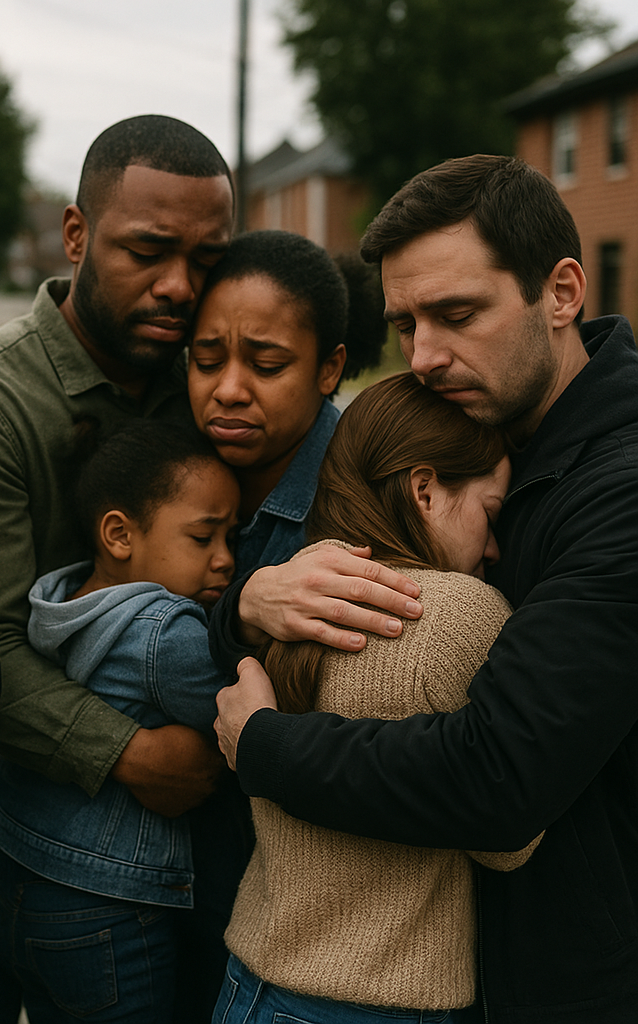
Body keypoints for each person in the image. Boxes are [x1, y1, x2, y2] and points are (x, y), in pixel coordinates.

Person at [212, 155, 638, 1021]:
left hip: (575, 983)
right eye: (405, 324)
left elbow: (499, 776)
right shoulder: (479, 435)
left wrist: (264, 746)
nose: (425, 357)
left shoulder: (620, 487)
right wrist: (247, 606)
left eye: (457, 314)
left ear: (561, 293)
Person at [0, 114, 234, 1022]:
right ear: (77, 234)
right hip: (1, 835)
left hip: (191, 858)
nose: (179, 286)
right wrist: (130, 753)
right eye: (148, 251)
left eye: (206, 259)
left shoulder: (210, 386)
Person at [216, 372, 541, 1023]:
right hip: (375, 1001)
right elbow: (509, 838)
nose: (494, 547)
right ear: (425, 490)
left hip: (249, 985)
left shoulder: (290, 595)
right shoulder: (459, 614)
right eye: (490, 512)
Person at [0, 421, 240, 1022]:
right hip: (110, 910)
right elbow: (246, 715)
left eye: (232, 536)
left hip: (20, 883)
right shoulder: (167, 634)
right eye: (203, 537)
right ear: (120, 535)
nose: (226, 559)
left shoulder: (59, 598)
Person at [188, 229, 386, 576]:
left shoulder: (371, 506)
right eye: (207, 362)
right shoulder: (161, 470)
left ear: (329, 369)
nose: (229, 391)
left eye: (267, 366)